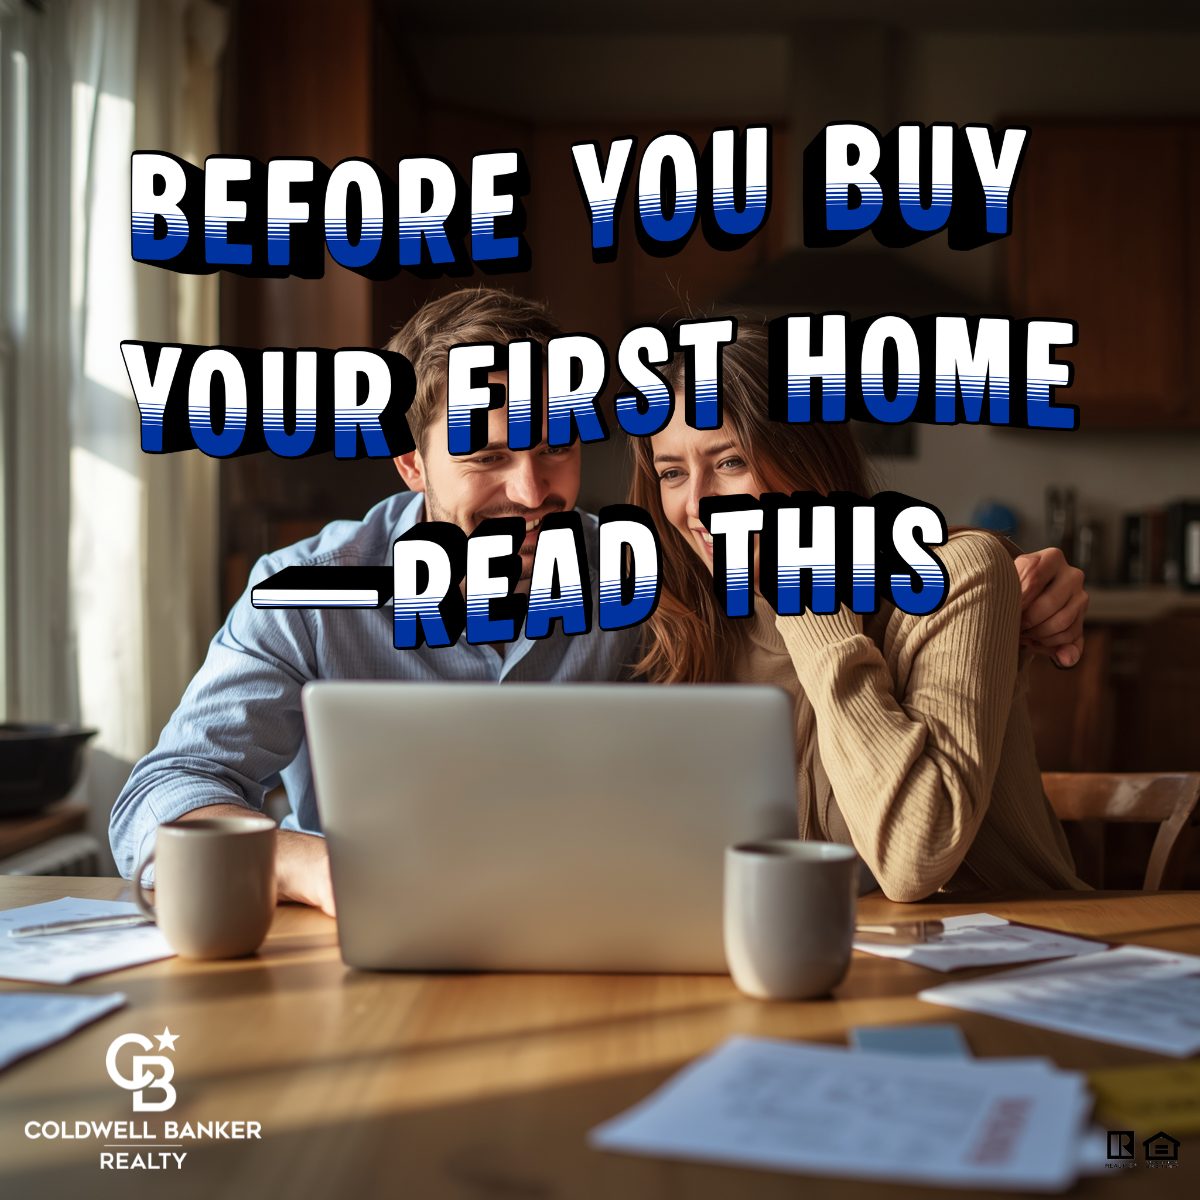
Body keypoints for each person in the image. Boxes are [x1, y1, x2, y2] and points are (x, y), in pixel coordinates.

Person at [111, 287, 1087, 914]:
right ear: (413, 465)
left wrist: (1006, 580)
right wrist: (308, 867)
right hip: (369, 945)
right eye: (487, 455)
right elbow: (156, 801)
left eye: (554, 446)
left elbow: (834, 549)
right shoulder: (309, 593)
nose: (533, 490)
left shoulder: (649, 578)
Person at [630, 319, 1085, 901]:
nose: (696, 504)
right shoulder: (686, 625)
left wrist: (809, 597)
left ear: (808, 459)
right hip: (813, 947)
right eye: (672, 472)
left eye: (731, 463)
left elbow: (913, 860)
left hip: (1017, 950)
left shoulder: (955, 577)